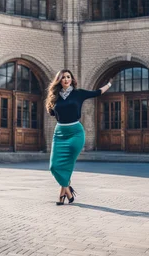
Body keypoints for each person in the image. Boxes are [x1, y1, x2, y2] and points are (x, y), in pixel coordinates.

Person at [45, 69, 112, 205]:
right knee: (54, 166)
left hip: (75, 132)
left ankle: (62, 195)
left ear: (72, 79)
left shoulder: (78, 94)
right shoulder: (55, 96)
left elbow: (97, 92)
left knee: (68, 165)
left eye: (68, 77)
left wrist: (109, 84)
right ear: (59, 80)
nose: (66, 79)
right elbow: (52, 113)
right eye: (63, 77)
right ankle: (68, 190)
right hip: (59, 134)